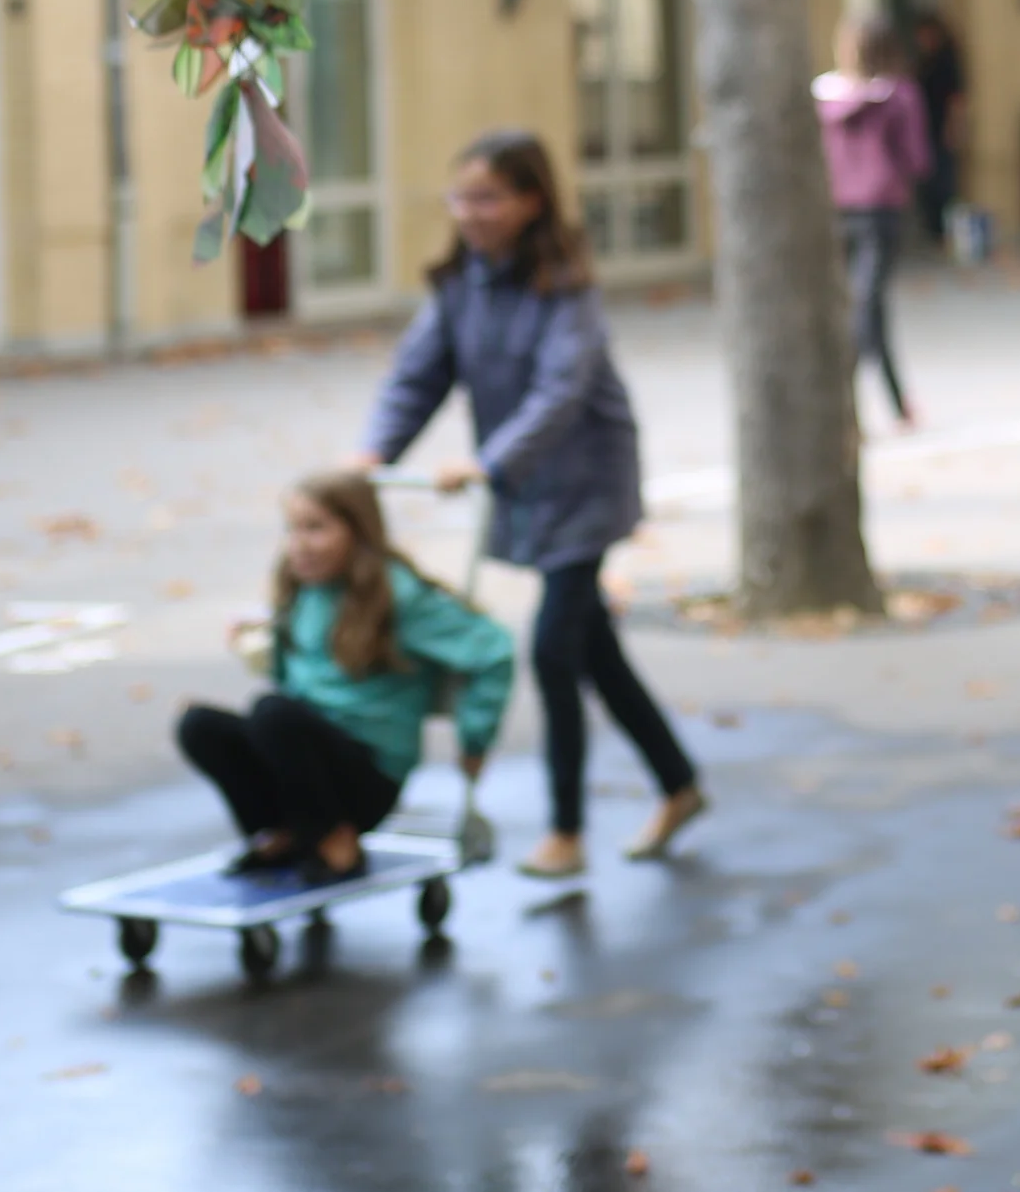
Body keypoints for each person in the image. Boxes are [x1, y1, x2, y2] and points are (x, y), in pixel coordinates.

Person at [357, 128, 705, 884]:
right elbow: (419, 374)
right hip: (526, 488)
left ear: (530, 200)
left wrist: (487, 462)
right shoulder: (461, 284)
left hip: (584, 484)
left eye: (487, 197)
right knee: (593, 653)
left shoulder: (566, 287)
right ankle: (679, 785)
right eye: (461, 197)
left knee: (552, 650)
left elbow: (561, 390)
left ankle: (566, 830)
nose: (471, 212)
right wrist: (374, 453)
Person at [177, 468, 513, 886]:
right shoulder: (304, 586)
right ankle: (285, 832)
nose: (298, 544)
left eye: (315, 528)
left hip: (366, 778)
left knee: (273, 713)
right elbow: (300, 671)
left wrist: (475, 739)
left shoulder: (398, 595)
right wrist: (266, 637)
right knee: (199, 724)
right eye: (292, 528)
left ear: (359, 531)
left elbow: (494, 651)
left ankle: (337, 839)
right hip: (304, 763)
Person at [814, 14, 934, 424]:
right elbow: (917, 159)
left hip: (834, 210)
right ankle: (857, 405)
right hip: (880, 211)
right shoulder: (901, 97)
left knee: (859, 307)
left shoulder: (822, 98)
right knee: (868, 308)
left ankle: (884, 406)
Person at [908, 8, 969, 249]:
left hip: (940, 129)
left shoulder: (946, 61)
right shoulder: (923, 60)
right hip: (922, 129)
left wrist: (954, 128)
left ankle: (945, 234)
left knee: (943, 183)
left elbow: (956, 99)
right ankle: (934, 232)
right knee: (928, 182)